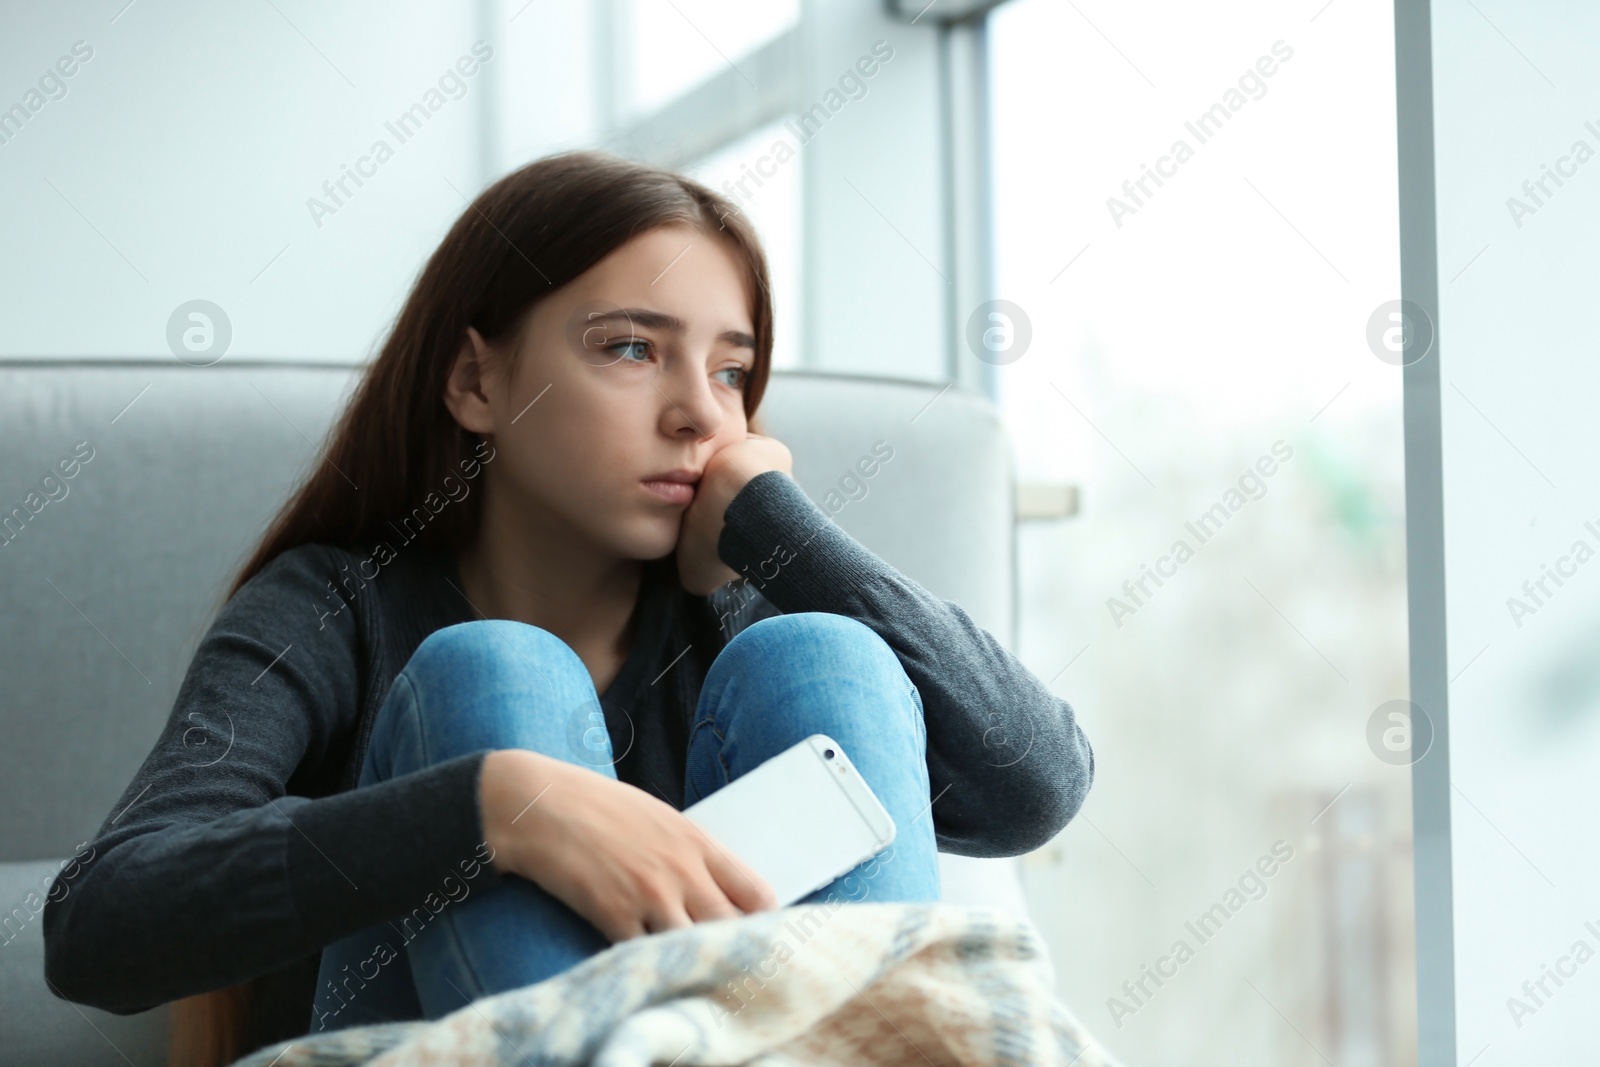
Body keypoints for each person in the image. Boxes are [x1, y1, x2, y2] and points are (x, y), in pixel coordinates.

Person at [41, 149, 1095, 1066]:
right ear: (474, 381)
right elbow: (100, 922)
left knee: (828, 656)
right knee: (492, 674)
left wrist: (782, 531)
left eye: (732, 370)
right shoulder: (335, 606)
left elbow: (1035, 786)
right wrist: (498, 809)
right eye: (630, 348)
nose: (697, 411)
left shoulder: (739, 623)